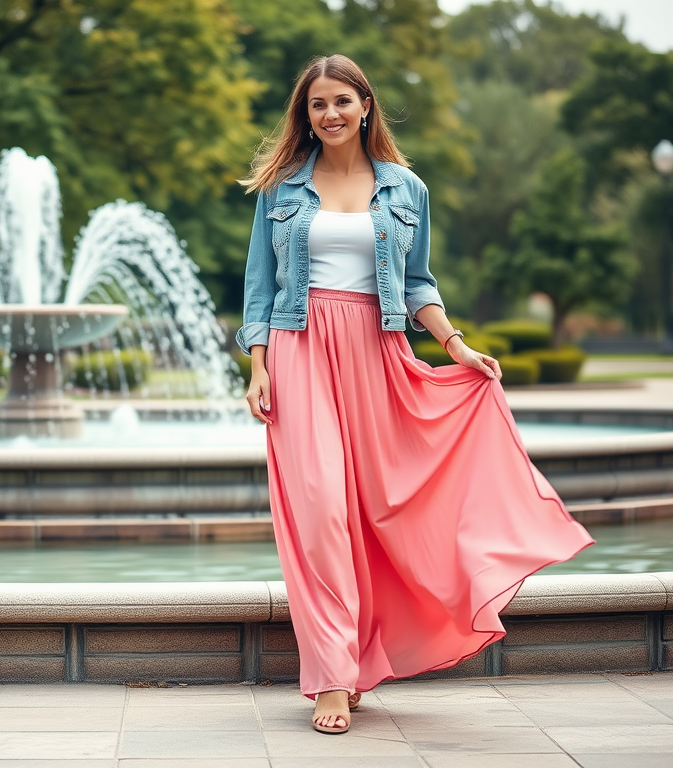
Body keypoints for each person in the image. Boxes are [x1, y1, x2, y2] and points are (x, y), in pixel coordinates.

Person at [236, 54, 594, 735]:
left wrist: (457, 346)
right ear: (304, 116)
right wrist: (258, 366)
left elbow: (419, 280)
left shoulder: (405, 189)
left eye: (342, 100)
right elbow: (258, 286)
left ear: (365, 106)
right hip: (299, 347)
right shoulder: (282, 189)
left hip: (378, 349)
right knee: (319, 511)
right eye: (317, 104)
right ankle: (332, 679)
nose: (331, 113)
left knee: (377, 509)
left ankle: (366, 653)